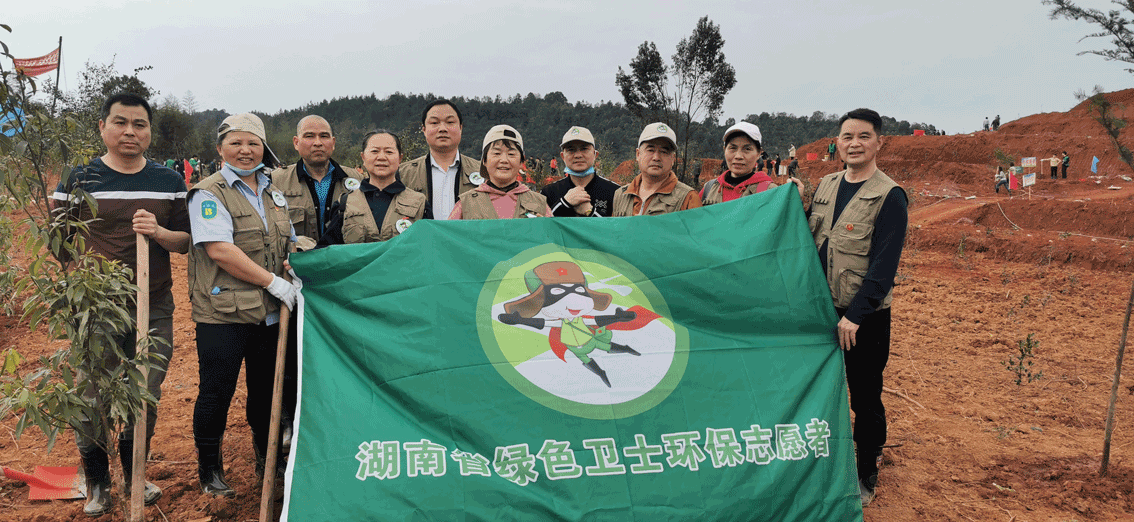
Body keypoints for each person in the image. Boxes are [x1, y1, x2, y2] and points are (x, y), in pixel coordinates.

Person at [51, 92, 190, 515]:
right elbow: (58, 244)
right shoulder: (79, 178)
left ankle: (134, 476)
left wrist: (158, 232)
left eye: (139, 124)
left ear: (149, 131)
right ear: (103, 127)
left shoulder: (169, 180)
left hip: (154, 304)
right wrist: (84, 282)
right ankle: (97, 482)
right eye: (120, 122)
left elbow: (185, 242)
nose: (130, 131)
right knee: (91, 394)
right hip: (98, 308)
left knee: (144, 392)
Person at [187, 113, 299, 497]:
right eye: (236, 143)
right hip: (223, 314)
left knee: (266, 393)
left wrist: (296, 263)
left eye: (253, 143)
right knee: (216, 392)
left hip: (269, 313)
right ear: (220, 149)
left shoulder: (273, 191)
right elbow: (220, 250)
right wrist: (273, 282)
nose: (245, 150)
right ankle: (210, 470)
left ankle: (267, 460)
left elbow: (288, 239)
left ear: (263, 148)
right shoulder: (208, 193)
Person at [805, 108, 908, 507]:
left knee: (864, 396)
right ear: (837, 143)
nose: (854, 144)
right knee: (821, 389)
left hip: (863, 318)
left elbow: (884, 267)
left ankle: (867, 471)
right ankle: (827, 458)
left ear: (879, 143)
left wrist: (855, 315)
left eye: (864, 136)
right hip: (822, 312)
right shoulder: (827, 185)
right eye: (847, 136)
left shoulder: (889, 196)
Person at [320, 130, 431, 244]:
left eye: (389, 152)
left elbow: (430, 246)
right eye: (374, 151)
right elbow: (328, 249)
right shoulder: (344, 203)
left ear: (400, 158)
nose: (381, 157)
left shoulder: (419, 203)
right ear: (363, 157)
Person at [397, 99, 482, 221]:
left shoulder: (483, 172)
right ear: (424, 129)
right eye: (434, 122)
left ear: (461, 128)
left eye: (450, 122)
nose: (442, 129)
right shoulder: (403, 174)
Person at [449, 125, 551, 219]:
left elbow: (553, 232)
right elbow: (448, 233)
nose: (504, 160)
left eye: (511, 154)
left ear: (521, 161)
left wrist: (544, 227)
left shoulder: (539, 204)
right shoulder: (465, 204)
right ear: (484, 160)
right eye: (497, 153)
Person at [612, 122, 702, 216]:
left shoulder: (688, 198)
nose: (656, 157)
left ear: (673, 159)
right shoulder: (621, 195)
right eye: (650, 150)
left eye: (664, 151)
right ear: (638, 154)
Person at [541, 126, 620, 217]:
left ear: (595, 154)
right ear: (563, 156)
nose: (578, 155)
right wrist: (564, 203)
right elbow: (543, 224)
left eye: (584, 149)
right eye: (571, 150)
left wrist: (590, 211)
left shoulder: (615, 192)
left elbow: (620, 225)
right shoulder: (548, 193)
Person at [700, 121, 777, 205]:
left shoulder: (770, 192)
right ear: (724, 150)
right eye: (732, 148)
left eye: (747, 149)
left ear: (758, 153)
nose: (738, 156)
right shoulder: (709, 189)